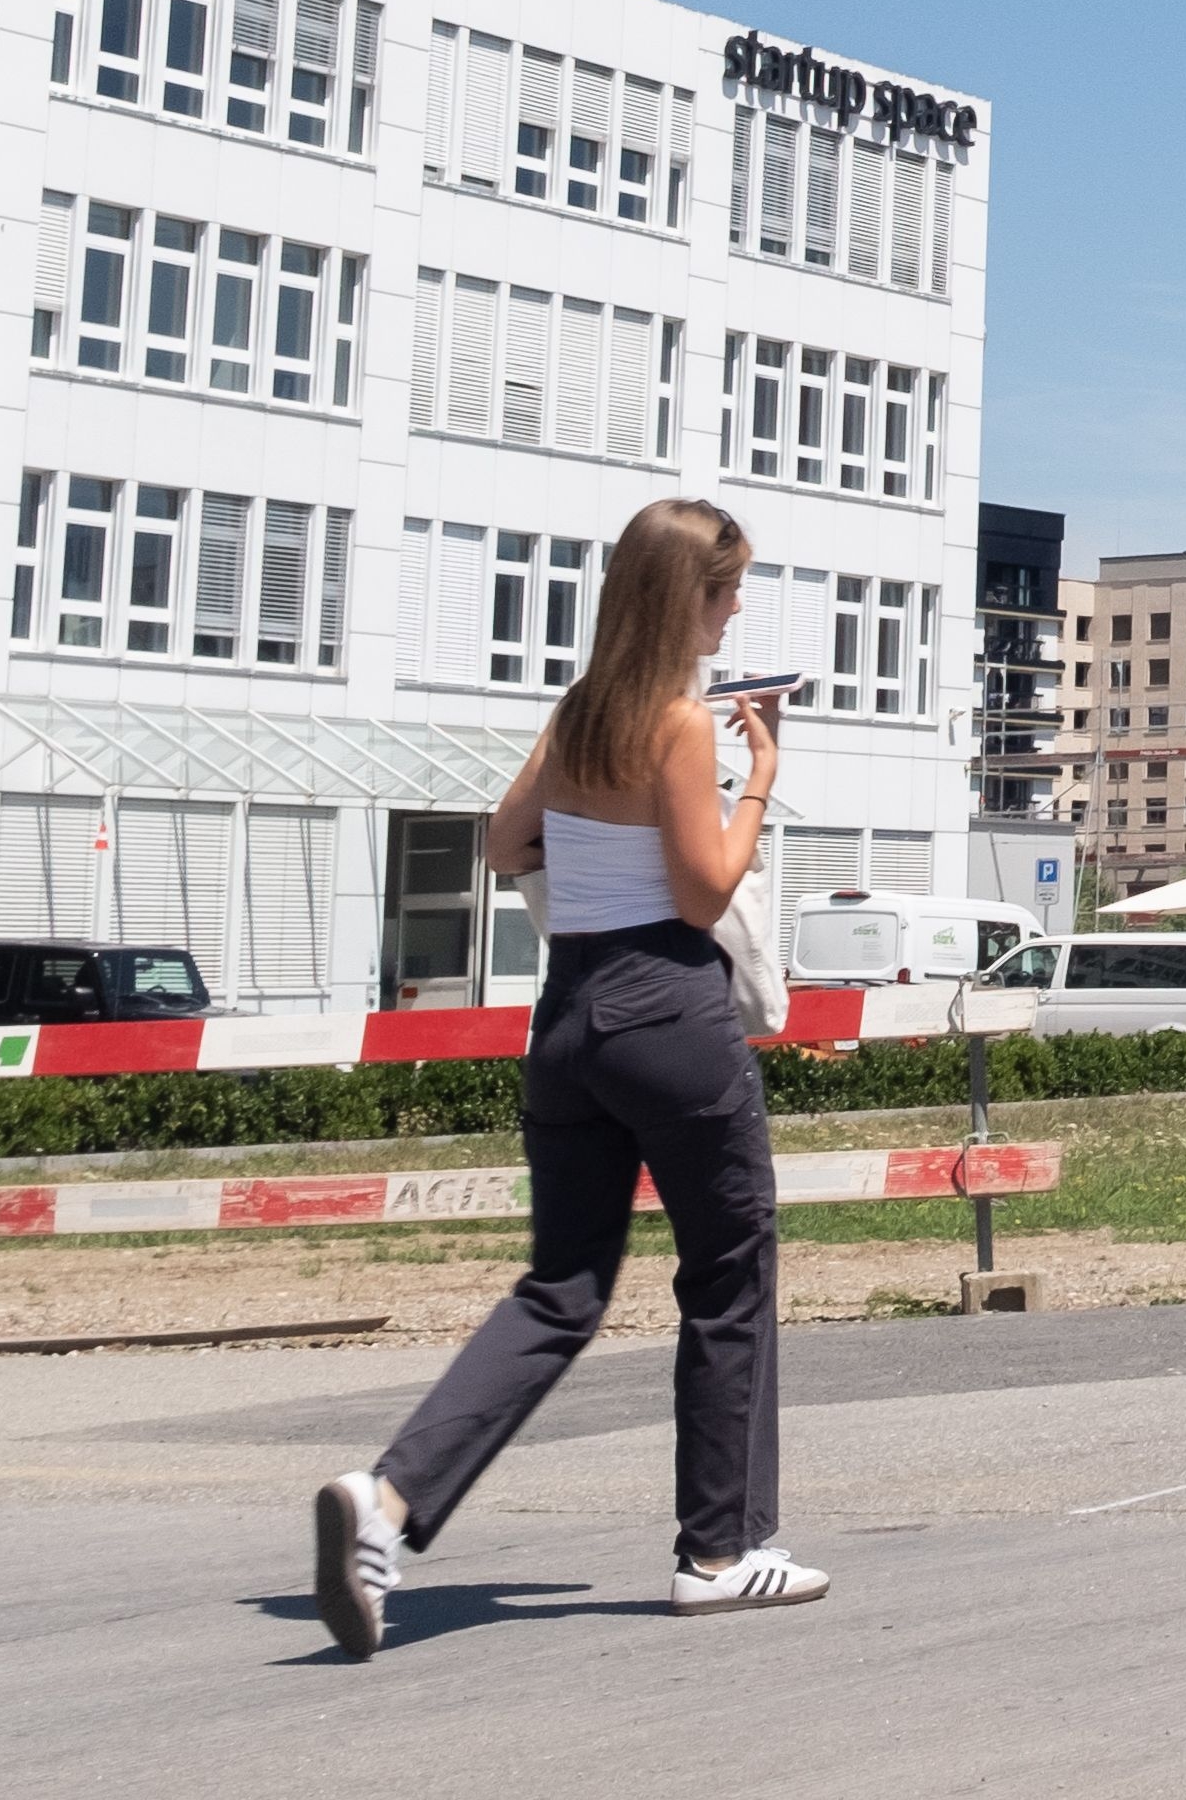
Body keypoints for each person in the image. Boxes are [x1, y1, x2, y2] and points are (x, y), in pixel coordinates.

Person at [315, 499, 822, 1653]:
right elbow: (703, 892)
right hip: (669, 1010)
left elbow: (502, 847)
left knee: (562, 1285)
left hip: (570, 1018)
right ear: (682, 598)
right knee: (730, 1268)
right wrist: (759, 777)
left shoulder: (578, 713)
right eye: (726, 589)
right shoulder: (681, 724)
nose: (736, 606)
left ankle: (385, 1504)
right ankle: (721, 1550)